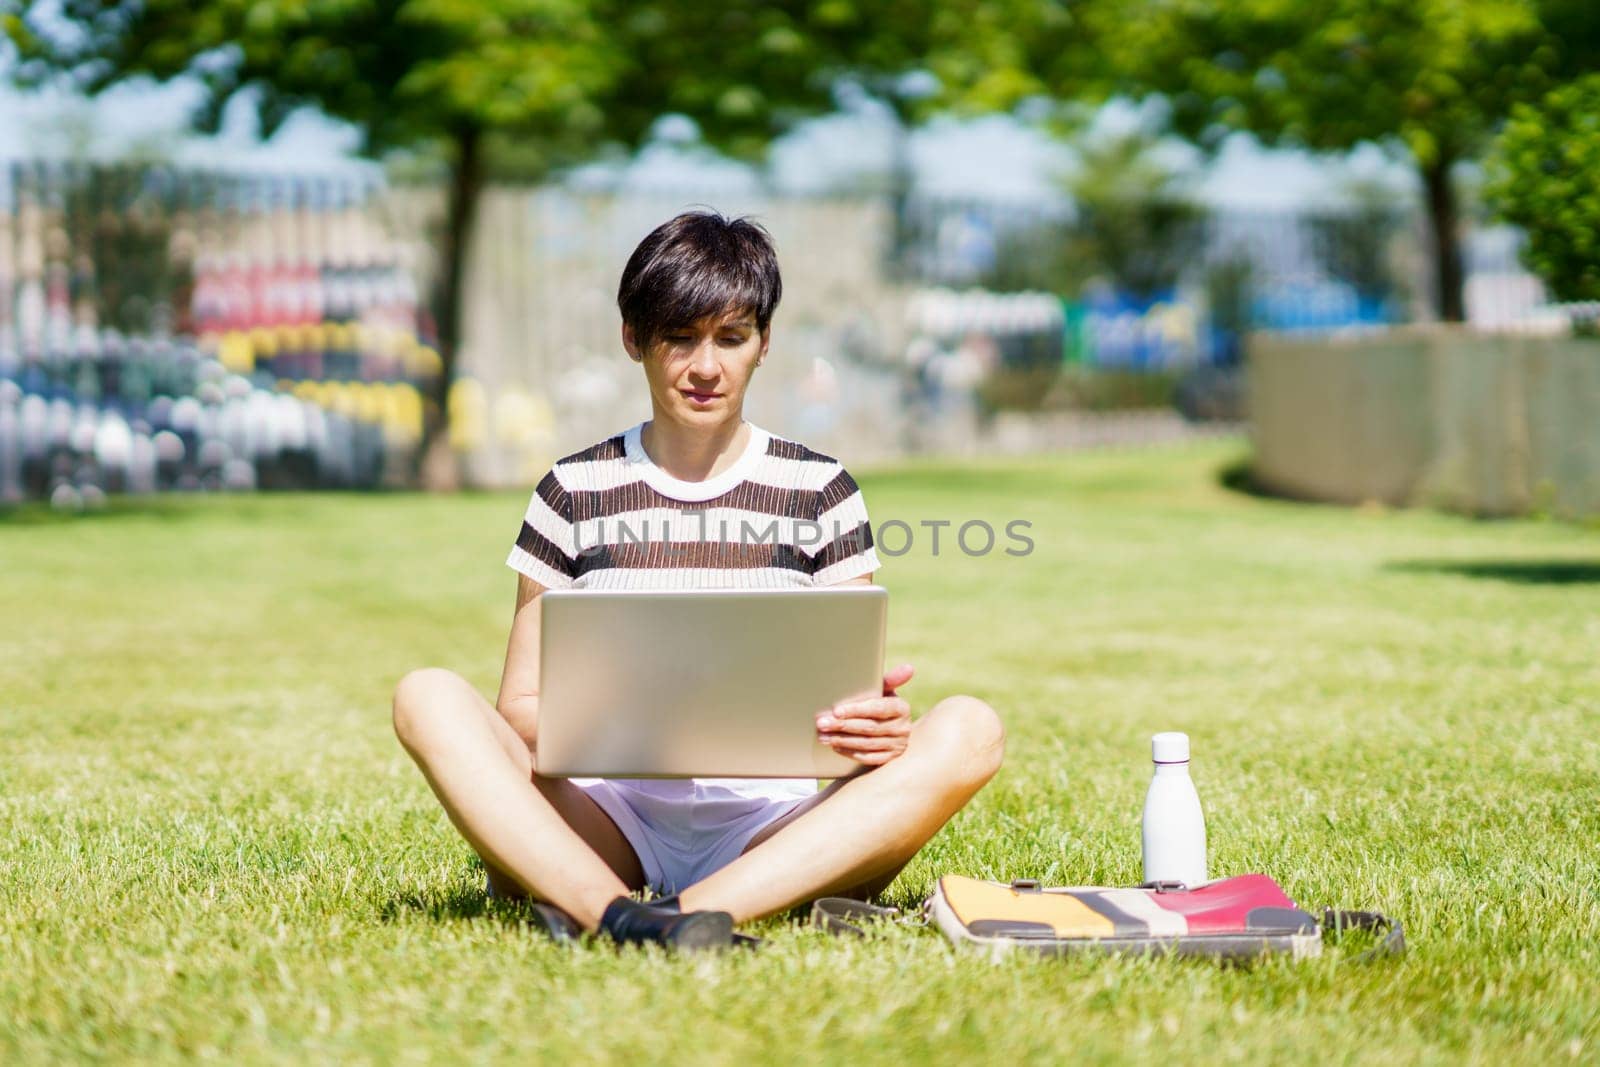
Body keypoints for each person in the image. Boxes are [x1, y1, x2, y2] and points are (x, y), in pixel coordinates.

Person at [392, 210, 1005, 951]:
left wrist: (873, 729)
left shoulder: (821, 490)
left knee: (971, 727)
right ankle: (615, 911)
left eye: (731, 337)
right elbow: (519, 709)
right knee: (425, 693)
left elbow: (849, 704)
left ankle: (677, 911)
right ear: (634, 340)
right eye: (680, 337)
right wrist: (634, 710)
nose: (705, 366)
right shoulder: (572, 490)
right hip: (607, 818)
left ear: (764, 343)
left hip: (774, 832)